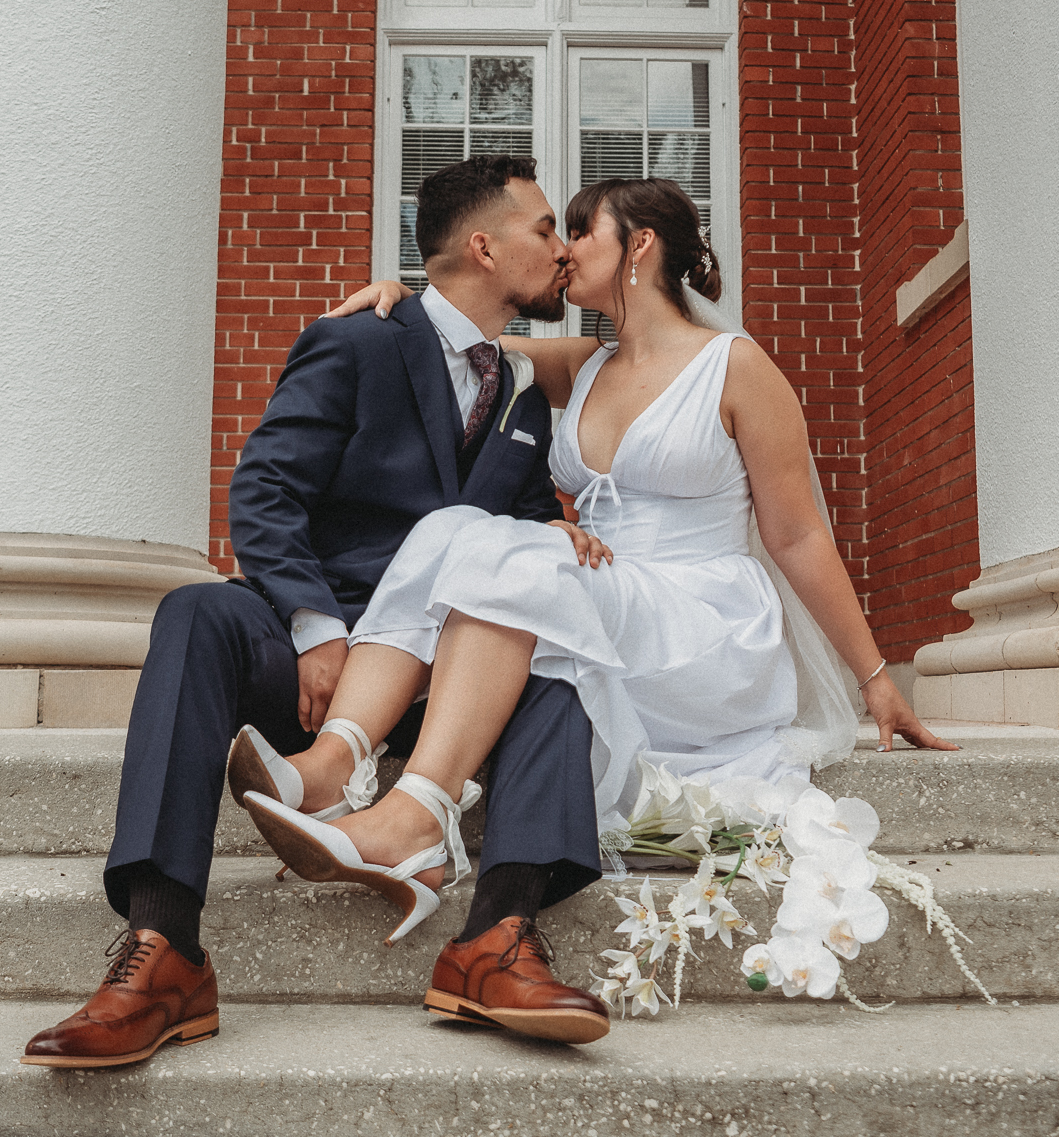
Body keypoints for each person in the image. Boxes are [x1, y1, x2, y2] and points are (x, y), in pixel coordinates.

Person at [239, 177, 956, 1035]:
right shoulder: (581, 365)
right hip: (612, 599)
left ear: (641, 245)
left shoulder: (736, 366)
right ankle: (336, 764)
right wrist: (386, 301)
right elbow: (448, 337)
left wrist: (874, 674)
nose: (567, 247)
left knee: (508, 549)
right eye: (557, 229)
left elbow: (797, 537)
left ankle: (412, 810)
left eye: (581, 229)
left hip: (703, 622)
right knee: (454, 527)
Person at [21, 154, 611, 1068]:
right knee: (195, 612)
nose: (562, 251)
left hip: (446, 672)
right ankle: (164, 948)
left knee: (561, 672)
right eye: (544, 230)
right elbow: (264, 492)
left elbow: (524, 528)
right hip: (319, 637)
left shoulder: (528, 398)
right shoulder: (362, 339)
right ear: (485, 246)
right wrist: (314, 628)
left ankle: (496, 939)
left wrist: (562, 537)